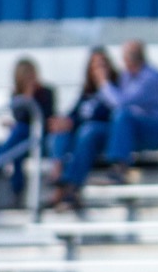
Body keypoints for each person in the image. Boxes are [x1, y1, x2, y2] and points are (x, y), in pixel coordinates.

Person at [55, 39, 158, 203]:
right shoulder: (126, 77)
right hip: (134, 131)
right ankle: (71, 187)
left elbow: (121, 103)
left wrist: (102, 82)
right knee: (91, 131)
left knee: (123, 114)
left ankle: (119, 169)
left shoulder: (151, 77)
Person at [46, 47, 118, 211]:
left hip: (103, 135)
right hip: (83, 134)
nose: (98, 70)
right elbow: (74, 114)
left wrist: (74, 123)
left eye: (102, 65)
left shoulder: (114, 87)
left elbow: (110, 113)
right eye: (95, 66)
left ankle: (69, 187)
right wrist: (64, 122)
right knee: (62, 131)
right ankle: (58, 177)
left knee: (87, 131)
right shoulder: (87, 93)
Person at [0, 58, 55, 200]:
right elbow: (20, 116)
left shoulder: (46, 93)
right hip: (24, 139)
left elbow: (42, 117)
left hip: (40, 137)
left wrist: (29, 97)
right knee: (16, 150)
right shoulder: (16, 95)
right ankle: (16, 190)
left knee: (17, 134)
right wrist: (26, 96)